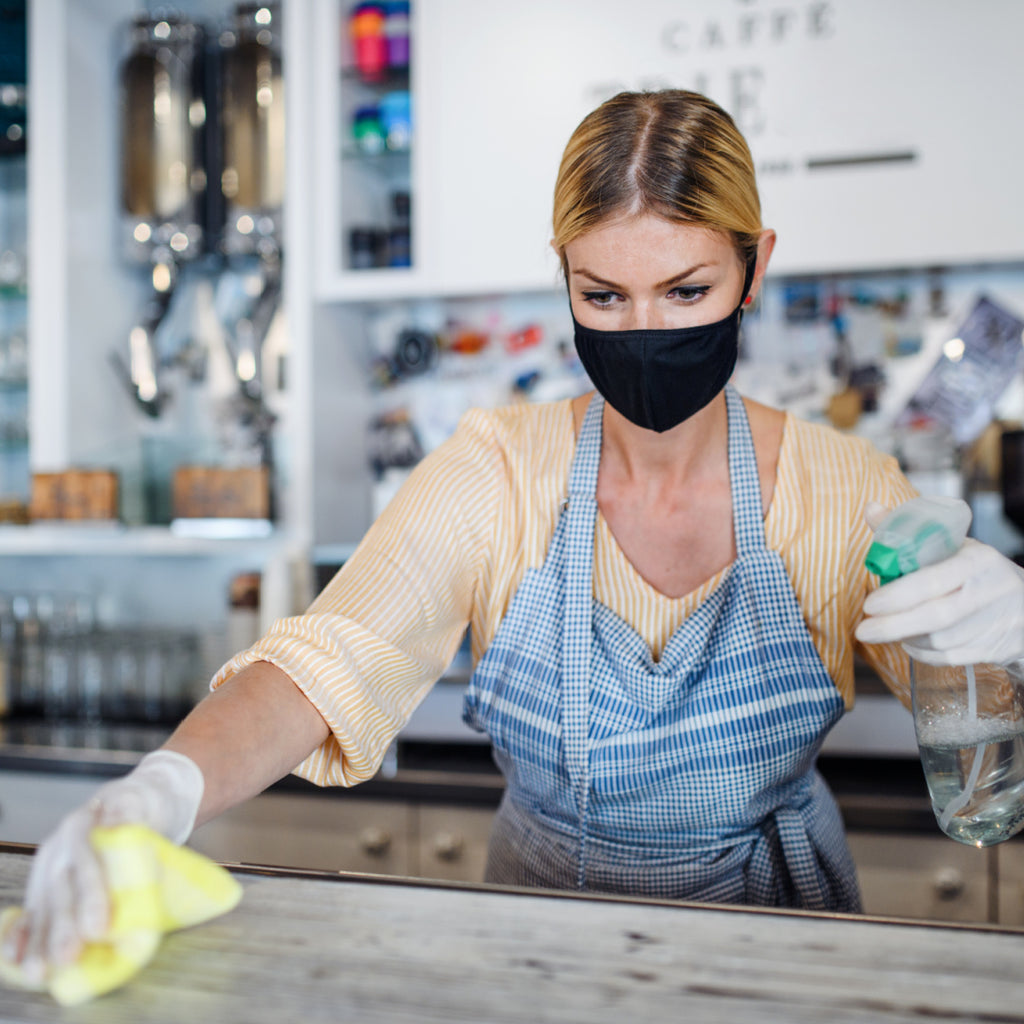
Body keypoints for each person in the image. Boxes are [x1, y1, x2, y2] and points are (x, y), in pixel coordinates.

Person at [8, 88, 1024, 979]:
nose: (642, 332)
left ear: (754, 269)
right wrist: (160, 791)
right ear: (563, 279)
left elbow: (987, 769)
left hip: (780, 949)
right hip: (539, 944)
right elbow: (329, 657)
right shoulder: (495, 470)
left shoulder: (846, 490)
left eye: (686, 291)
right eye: (602, 296)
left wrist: (1002, 645)